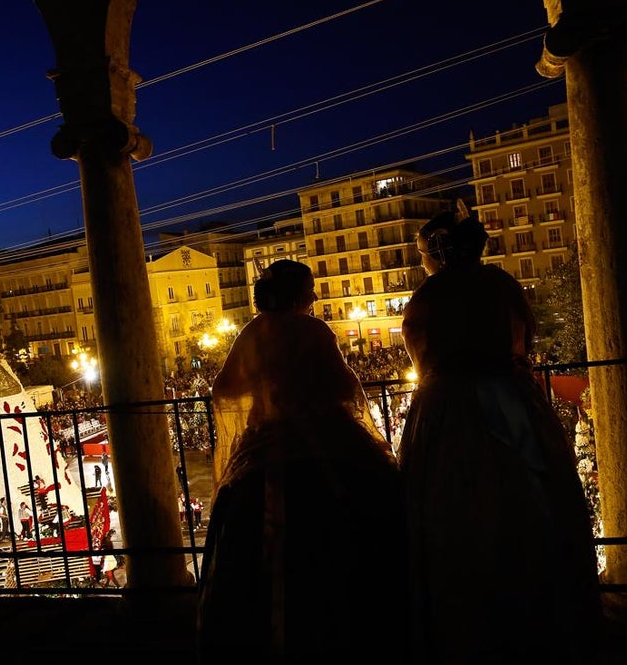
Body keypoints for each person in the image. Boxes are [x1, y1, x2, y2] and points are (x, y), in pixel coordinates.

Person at [399, 200, 602, 663]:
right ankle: (540, 616)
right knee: (531, 504)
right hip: (514, 404)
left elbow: (422, 356)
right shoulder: (502, 285)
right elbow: (524, 340)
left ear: (439, 250)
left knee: (454, 513)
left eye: (422, 251)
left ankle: (467, 622)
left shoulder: (429, 297)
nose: (421, 260)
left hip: (448, 411)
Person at [196, 259, 409, 662]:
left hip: (263, 446)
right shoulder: (313, 330)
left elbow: (225, 391)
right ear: (298, 293)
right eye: (310, 288)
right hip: (324, 441)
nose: (314, 296)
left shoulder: (250, 334)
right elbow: (343, 388)